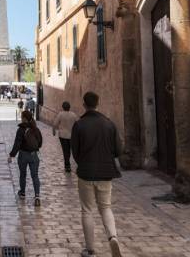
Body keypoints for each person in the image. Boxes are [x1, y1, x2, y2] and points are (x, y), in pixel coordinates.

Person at [71, 92, 123, 257]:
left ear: (84, 104)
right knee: (106, 207)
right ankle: (112, 237)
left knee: (87, 210)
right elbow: (118, 150)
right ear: (98, 103)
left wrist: (83, 162)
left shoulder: (79, 125)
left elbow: (75, 151)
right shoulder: (109, 124)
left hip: (86, 172)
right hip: (106, 172)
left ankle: (90, 249)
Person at [8, 110, 43, 206]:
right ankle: (37, 196)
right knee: (35, 175)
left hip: (23, 155)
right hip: (34, 155)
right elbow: (40, 143)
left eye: (21, 116)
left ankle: (22, 192)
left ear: (24, 118)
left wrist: (11, 155)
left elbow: (17, 144)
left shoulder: (21, 129)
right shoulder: (36, 129)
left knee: (23, 174)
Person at [52, 101, 78, 172]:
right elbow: (77, 124)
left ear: (63, 107)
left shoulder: (60, 114)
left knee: (65, 151)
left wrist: (53, 131)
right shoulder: (73, 114)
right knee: (73, 150)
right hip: (71, 136)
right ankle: (77, 164)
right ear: (69, 107)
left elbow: (55, 124)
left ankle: (67, 166)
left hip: (63, 136)